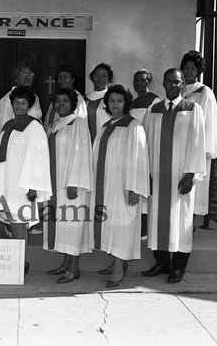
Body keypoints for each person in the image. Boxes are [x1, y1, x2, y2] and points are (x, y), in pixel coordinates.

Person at [142, 68, 206, 284]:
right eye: (169, 81)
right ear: (163, 82)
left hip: (181, 177)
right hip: (157, 177)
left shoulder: (192, 109)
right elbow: (145, 145)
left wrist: (191, 175)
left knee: (182, 221)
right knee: (157, 220)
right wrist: (145, 174)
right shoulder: (153, 110)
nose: (173, 85)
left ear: (182, 84)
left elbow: (197, 143)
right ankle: (162, 262)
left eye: (177, 82)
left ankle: (178, 267)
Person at [91, 84, 149, 288]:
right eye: (111, 100)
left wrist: (134, 187)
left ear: (126, 103)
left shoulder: (133, 126)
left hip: (124, 185)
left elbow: (139, 158)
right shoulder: (106, 126)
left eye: (119, 100)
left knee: (123, 224)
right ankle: (116, 260)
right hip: (106, 184)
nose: (115, 104)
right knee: (111, 224)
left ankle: (118, 265)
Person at [0, 86, 52, 275]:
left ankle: (21, 262)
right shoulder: (8, 125)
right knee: (12, 223)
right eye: (16, 102)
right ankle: (16, 259)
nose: (19, 106)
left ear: (29, 105)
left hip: (22, 186)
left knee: (19, 225)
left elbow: (38, 158)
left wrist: (33, 186)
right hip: (7, 182)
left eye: (23, 103)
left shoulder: (34, 127)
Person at [43, 88, 93, 284]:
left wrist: (74, 183)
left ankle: (74, 268)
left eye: (65, 100)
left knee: (72, 225)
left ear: (73, 103)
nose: (61, 104)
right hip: (56, 182)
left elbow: (81, 154)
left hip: (71, 185)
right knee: (62, 224)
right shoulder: (55, 124)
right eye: (57, 101)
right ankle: (65, 263)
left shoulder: (77, 123)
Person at [180, 51, 217, 226]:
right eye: (186, 68)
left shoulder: (204, 92)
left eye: (192, 69)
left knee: (195, 188)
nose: (188, 72)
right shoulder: (177, 89)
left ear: (198, 71)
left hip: (197, 146)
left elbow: (208, 123)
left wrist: (205, 150)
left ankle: (191, 225)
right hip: (180, 145)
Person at [129, 69, 160, 240]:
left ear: (149, 82)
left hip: (147, 148)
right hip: (135, 148)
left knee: (145, 188)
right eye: (136, 80)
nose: (139, 83)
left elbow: (154, 127)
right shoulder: (134, 102)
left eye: (142, 80)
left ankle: (145, 228)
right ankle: (137, 226)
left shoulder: (154, 101)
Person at [0, 61, 43, 136]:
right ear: (16, 77)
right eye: (23, 74)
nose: (28, 77)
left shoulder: (35, 97)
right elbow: (3, 130)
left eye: (31, 74)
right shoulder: (7, 100)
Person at [43, 65, 87, 130]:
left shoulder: (78, 98)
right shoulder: (56, 97)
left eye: (65, 77)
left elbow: (80, 123)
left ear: (73, 79)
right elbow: (48, 121)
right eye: (60, 77)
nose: (62, 80)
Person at [84, 63, 113, 142]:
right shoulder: (84, 99)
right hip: (87, 141)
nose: (100, 78)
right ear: (92, 77)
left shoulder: (112, 98)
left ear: (109, 79)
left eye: (104, 76)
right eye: (96, 75)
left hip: (107, 139)